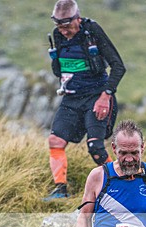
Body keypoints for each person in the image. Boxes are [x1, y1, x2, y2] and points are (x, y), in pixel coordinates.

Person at [44, 0, 125, 201]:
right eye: (59, 27)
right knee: (55, 141)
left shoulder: (92, 31)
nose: (64, 32)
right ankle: (60, 190)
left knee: (95, 147)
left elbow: (118, 66)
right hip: (71, 98)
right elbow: (60, 69)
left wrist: (105, 96)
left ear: (77, 19)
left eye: (67, 26)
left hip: (96, 96)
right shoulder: (58, 35)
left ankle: (120, 187)